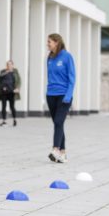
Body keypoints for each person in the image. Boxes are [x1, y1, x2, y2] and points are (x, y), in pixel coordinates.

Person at [46, 33, 75, 164]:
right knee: (58, 124)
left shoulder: (67, 57)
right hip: (51, 95)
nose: (47, 44)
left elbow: (72, 78)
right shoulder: (50, 57)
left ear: (57, 42)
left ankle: (55, 149)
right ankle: (63, 153)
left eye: (49, 42)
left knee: (58, 122)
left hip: (64, 95)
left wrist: (68, 96)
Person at [0, 60, 21, 127]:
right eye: (7, 64)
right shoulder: (3, 72)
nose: (9, 66)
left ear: (12, 65)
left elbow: (19, 81)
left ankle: (14, 119)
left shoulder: (15, 72)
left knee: (12, 106)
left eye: (10, 64)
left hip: (12, 92)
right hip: (4, 92)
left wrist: (17, 88)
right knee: (3, 106)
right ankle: (4, 121)